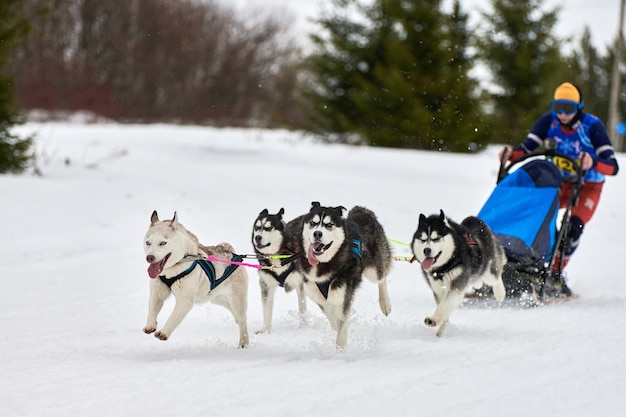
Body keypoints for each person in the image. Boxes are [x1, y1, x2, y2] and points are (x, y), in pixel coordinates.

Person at [499, 82, 619, 274]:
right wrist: (511, 154)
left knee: (574, 226)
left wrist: (592, 162)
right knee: (535, 215)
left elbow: (613, 166)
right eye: (558, 107)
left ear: (578, 108)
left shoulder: (592, 126)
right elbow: (527, 148)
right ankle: (524, 260)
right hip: (557, 181)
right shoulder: (549, 121)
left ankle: (556, 273)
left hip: (587, 185)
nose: (562, 114)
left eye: (568, 108)